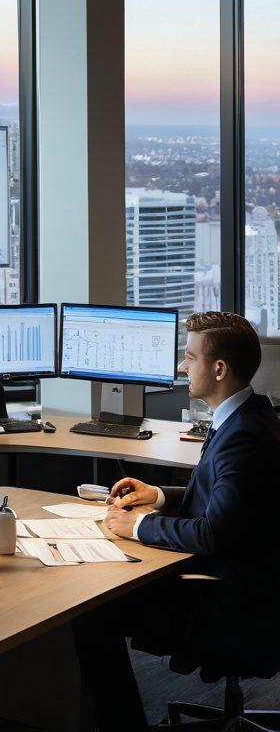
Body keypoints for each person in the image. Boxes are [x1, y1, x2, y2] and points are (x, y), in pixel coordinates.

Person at [73, 311, 280, 731]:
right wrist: (160, 495)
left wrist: (136, 526)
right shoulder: (249, 417)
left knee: (91, 612)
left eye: (189, 357)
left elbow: (214, 531)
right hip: (252, 583)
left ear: (219, 369)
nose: (182, 367)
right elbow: (231, 506)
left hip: (231, 600)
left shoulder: (242, 436)